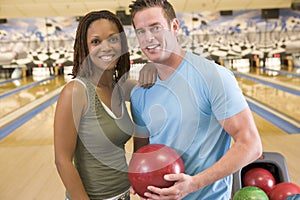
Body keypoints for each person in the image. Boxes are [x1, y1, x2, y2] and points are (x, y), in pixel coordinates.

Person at [129, 0, 263, 199]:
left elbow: (251, 145)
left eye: (155, 28)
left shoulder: (213, 77)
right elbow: (142, 151)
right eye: (141, 31)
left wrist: (193, 184)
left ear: (174, 26)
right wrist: (138, 178)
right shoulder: (140, 94)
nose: (148, 38)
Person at [54, 10, 156, 200]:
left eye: (113, 39)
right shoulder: (76, 92)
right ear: (84, 47)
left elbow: (151, 94)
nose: (106, 47)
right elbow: (62, 161)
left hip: (125, 195)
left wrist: (152, 67)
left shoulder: (121, 87)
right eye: (96, 41)